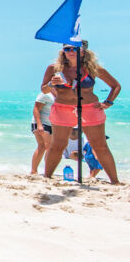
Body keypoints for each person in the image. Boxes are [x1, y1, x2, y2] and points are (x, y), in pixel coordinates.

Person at [41, 41, 121, 184]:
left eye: (75, 49)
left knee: (100, 146)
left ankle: (115, 181)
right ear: (63, 51)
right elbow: (44, 90)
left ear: (83, 52)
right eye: (67, 49)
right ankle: (47, 178)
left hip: (90, 109)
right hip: (62, 109)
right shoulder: (54, 68)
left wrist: (108, 102)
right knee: (58, 145)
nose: (71, 51)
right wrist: (52, 84)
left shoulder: (92, 68)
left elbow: (115, 86)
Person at [30, 91, 55, 174]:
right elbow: (36, 109)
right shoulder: (45, 94)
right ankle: (48, 171)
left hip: (52, 124)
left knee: (42, 147)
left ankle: (34, 171)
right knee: (49, 147)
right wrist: (39, 124)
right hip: (41, 123)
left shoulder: (60, 93)